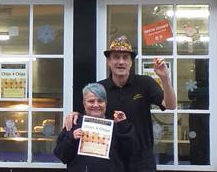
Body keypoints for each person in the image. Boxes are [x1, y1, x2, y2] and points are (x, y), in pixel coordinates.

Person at [64, 35, 177, 172]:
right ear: (109, 61)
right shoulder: (99, 88)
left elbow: (170, 105)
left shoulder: (145, 83)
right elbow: (90, 113)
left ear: (131, 62)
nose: (121, 61)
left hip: (141, 159)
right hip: (110, 159)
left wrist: (165, 78)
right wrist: (76, 114)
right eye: (116, 57)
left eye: (125, 57)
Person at [54, 83, 139, 172]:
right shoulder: (74, 123)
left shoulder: (116, 125)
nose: (96, 105)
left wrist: (123, 125)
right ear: (84, 103)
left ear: (106, 103)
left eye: (100, 101)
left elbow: (131, 152)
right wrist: (71, 138)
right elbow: (61, 156)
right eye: (91, 101)